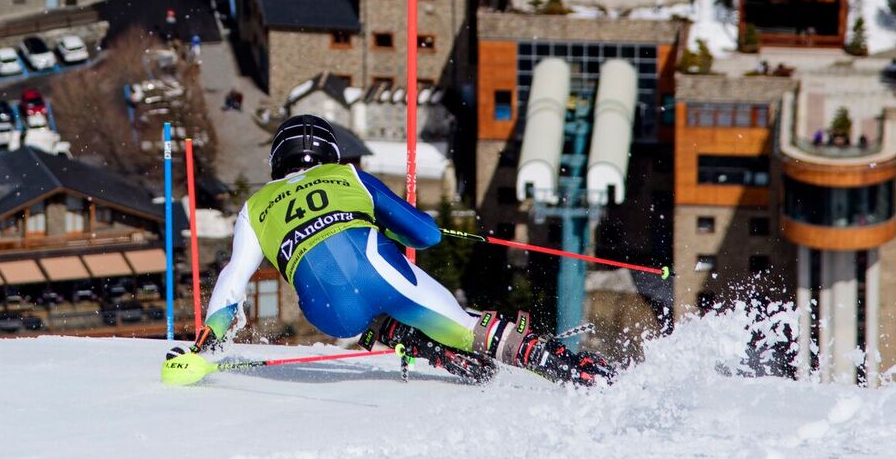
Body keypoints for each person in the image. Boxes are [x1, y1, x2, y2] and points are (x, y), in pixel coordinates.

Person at [170, 115, 614, 385]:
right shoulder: (350, 176)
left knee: (360, 307)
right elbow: (427, 235)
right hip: (383, 273)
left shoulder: (255, 206)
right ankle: (562, 364)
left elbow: (233, 279)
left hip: (326, 313)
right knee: (461, 323)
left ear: (276, 162)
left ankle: (405, 335)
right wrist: (385, 226)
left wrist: (208, 341)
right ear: (329, 153)